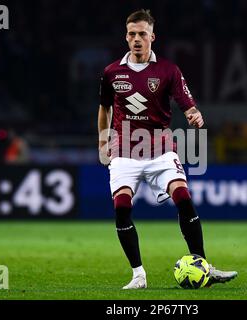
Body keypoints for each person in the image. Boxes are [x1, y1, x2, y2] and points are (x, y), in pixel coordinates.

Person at [97, 9, 238, 289]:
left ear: (152, 37)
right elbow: (104, 108)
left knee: (184, 198)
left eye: (142, 34)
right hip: (124, 150)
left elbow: (186, 102)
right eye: (132, 34)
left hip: (161, 150)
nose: (137, 39)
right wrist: (103, 141)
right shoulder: (112, 72)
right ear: (126, 37)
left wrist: (194, 114)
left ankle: (203, 266)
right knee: (122, 208)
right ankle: (138, 275)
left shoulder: (168, 70)